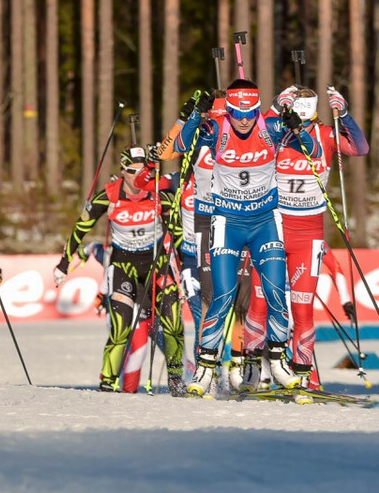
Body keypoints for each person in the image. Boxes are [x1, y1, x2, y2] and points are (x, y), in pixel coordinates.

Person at [174, 80, 314, 397]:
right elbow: (182, 146)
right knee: (222, 298)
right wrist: (195, 116)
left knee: (277, 294)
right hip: (228, 223)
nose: (244, 119)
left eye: (250, 112)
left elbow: (313, 152)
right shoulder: (217, 128)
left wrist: (299, 130)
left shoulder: (273, 127)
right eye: (238, 112)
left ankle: (278, 364)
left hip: (265, 221)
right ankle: (205, 372)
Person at [252, 85, 367, 389]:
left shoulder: (326, 135)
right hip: (273, 228)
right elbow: (254, 136)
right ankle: (255, 374)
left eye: (305, 118)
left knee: (302, 310)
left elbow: (360, 148)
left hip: (309, 234)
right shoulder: (277, 132)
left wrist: (345, 114)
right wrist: (276, 107)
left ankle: (306, 378)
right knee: (265, 305)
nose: (300, 124)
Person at [54, 146, 185, 394]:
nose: (139, 178)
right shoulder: (110, 195)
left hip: (156, 264)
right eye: (133, 171)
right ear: (122, 171)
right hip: (124, 265)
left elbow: (178, 232)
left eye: (144, 172)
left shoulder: (159, 194)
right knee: (121, 327)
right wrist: (64, 262)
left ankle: (177, 379)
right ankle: (108, 381)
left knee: (172, 321)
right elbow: (80, 228)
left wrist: (185, 266)